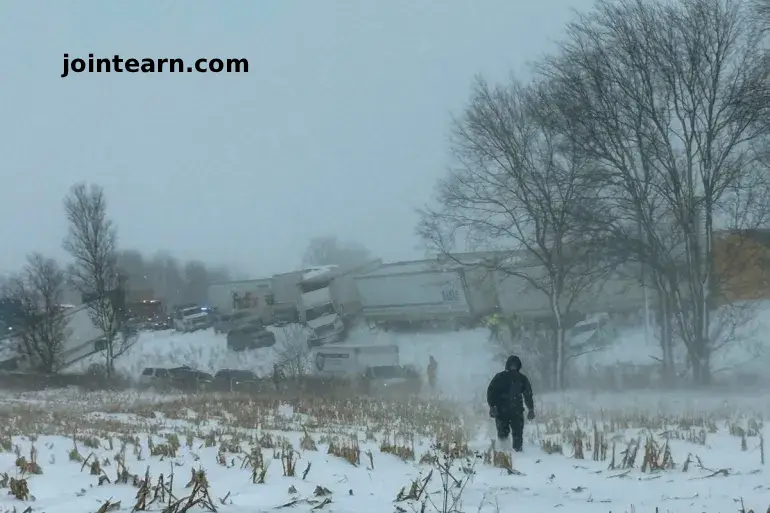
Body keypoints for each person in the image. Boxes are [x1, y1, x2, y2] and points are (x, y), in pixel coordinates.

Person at [486, 355, 535, 452]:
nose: (513, 367)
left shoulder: (522, 379)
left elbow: (528, 394)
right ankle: (504, 452)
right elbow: (491, 392)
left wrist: (531, 409)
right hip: (501, 411)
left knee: (518, 433)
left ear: (518, 366)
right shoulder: (500, 377)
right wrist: (492, 406)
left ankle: (518, 452)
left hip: (517, 411)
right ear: (508, 365)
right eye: (511, 365)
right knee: (502, 433)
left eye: (515, 365)